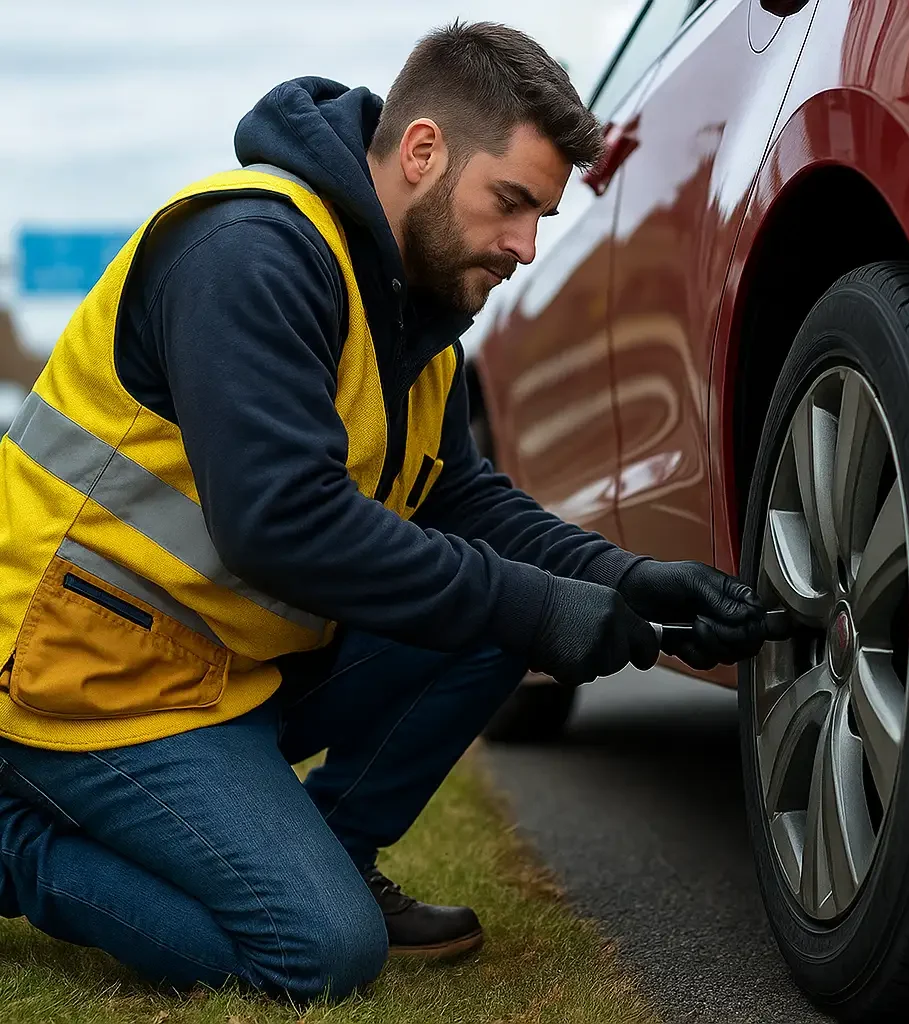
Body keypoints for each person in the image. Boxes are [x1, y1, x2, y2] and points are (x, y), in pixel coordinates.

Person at [0, 21, 771, 1002]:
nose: (526, 247)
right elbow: (282, 522)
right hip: (82, 676)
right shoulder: (250, 253)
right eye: (512, 203)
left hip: (223, 667)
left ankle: (331, 849)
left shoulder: (414, 315)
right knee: (317, 950)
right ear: (421, 152)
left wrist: (617, 576)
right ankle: (14, 841)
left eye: (540, 217)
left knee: (493, 617)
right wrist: (538, 607)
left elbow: (458, 497)